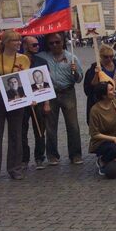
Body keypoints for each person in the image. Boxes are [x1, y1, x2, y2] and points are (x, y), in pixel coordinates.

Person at [36, 32, 84, 166]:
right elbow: (29, 61)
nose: (54, 45)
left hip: (67, 92)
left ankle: (75, 154)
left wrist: (74, 72)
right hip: (49, 94)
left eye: (57, 42)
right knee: (50, 126)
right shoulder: (42, 57)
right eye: (51, 43)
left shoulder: (71, 58)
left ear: (63, 42)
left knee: (72, 125)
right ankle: (52, 155)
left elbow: (79, 79)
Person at [0, 30, 30, 180]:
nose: (19, 43)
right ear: (6, 42)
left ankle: (15, 168)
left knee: (16, 134)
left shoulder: (24, 59)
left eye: (19, 40)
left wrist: (31, 97)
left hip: (16, 98)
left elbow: (26, 81)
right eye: (15, 41)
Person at [21, 36, 50, 170]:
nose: (37, 47)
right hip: (22, 101)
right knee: (22, 131)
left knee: (40, 130)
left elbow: (47, 85)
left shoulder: (42, 61)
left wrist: (46, 103)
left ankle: (39, 157)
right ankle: (24, 159)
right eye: (34, 45)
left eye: (38, 44)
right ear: (25, 46)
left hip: (38, 101)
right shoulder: (18, 61)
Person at [84, 45, 116, 124]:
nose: (109, 59)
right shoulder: (94, 67)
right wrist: (96, 74)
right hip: (98, 100)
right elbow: (91, 86)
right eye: (106, 57)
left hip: (114, 98)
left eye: (111, 56)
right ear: (100, 56)